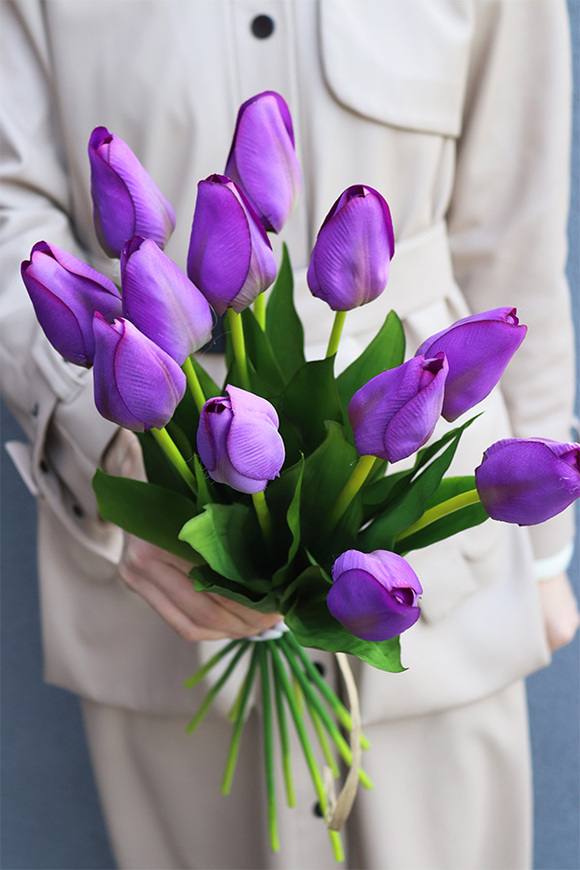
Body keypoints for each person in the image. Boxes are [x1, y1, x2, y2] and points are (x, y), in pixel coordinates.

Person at [1, 1, 578, 868]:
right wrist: (114, 444)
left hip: (433, 567)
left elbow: (514, 228)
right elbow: (9, 209)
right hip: (158, 577)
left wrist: (545, 559)